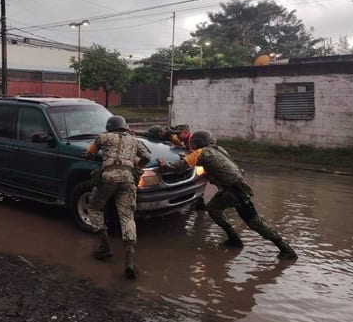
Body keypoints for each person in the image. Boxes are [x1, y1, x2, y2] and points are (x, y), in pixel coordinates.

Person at [157, 130, 297, 260]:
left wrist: (164, 164)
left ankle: (285, 249)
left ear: (197, 143)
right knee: (212, 208)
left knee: (254, 222)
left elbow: (179, 167)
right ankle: (234, 239)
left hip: (234, 190)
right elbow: (210, 164)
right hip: (234, 187)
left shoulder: (201, 153)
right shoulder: (218, 150)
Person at [84, 115, 151, 279]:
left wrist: (90, 155)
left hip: (108, 177)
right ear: (125, 127)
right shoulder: (134, 140)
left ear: (109, 127)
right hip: (128, 178)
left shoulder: (103, 137)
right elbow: (147, 157)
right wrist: (137, 164)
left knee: (94, 207)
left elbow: (88, 154)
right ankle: (129, 260)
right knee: (127, 216)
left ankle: (105, 247)